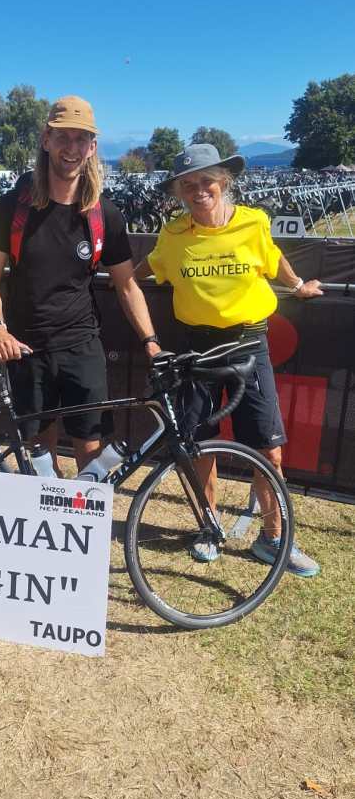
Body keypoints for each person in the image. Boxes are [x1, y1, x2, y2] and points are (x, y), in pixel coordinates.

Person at [135, 143, 322, 577]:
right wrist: (114, 277)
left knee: (269, 449)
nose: (199, 191)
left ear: (224, 181)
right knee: (199, 444)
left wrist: (297, 286)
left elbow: (272, 258)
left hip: (248, 346)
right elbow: (145, 269)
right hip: (197, 349)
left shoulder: (253, 222)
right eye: (187, 185)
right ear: (178, 192)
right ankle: (210, 527)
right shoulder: (173, 235)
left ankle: (273, 539)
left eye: (207, 181)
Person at [0, 95, 161, 473]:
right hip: (27, 350)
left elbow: (127, 286)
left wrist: (151, 341)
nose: (71, 148)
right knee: (39, 457)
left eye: (81, 139)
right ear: (46, 140)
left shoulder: (104, 214)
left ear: (93, 147)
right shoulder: (12, 207)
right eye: (63, 137)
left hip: (82, 347)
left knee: (91, 454)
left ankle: (83, 512)